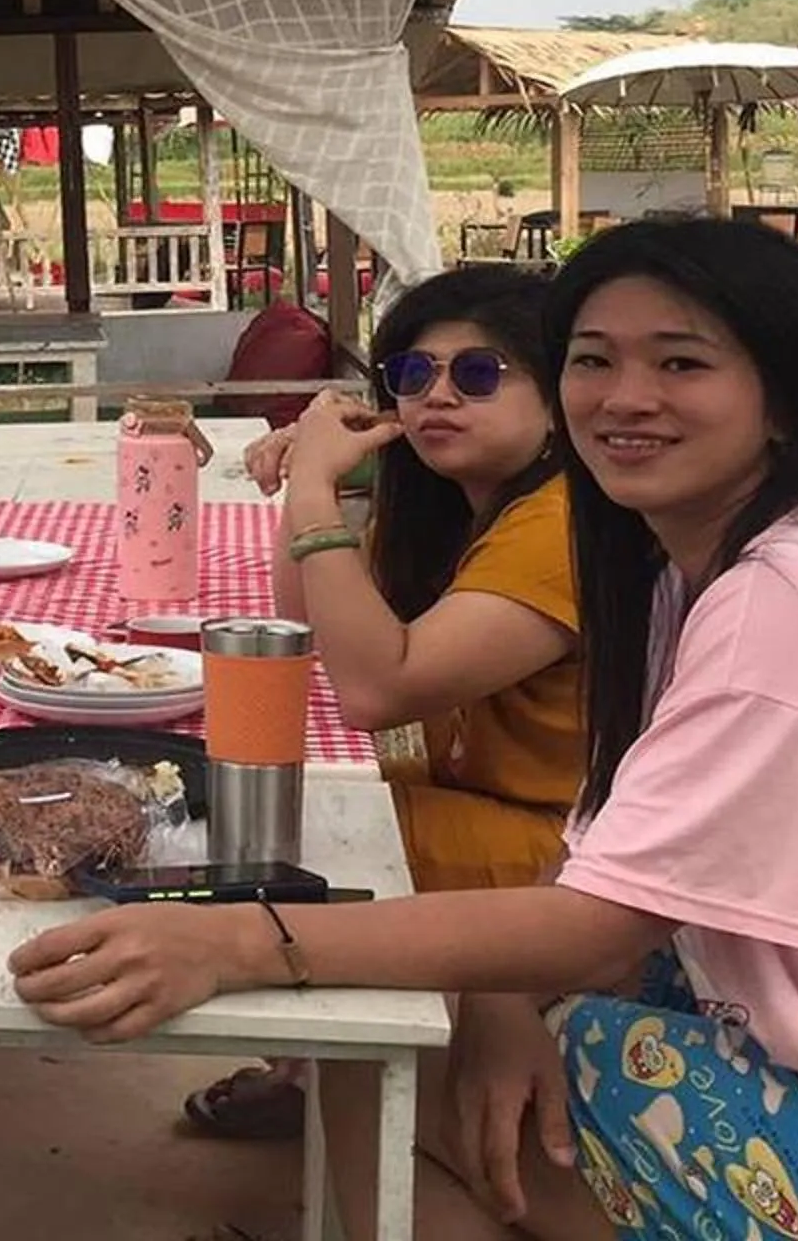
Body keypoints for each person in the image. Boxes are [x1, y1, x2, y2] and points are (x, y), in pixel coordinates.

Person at [12, 219, 798, 1241]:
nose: (624, 398)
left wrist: (247, 944)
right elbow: (613, 868)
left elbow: (596, 901)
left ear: (786, 395)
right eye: (594, 358)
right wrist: (493, 999)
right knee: (425, 1049)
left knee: (416, 1060)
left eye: (680, 363)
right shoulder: (693, 568)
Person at [183, 264, 583, 1143]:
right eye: (412, 374)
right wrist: (306, 486)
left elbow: (374, 690)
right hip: (478, 807)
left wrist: (320, 494)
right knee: (279, 820)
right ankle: (317, 1069)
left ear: (558, 402)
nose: (437, 395)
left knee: (298, 839)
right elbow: (308, 622)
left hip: (569, 858)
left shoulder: (560, 528)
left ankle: (330, 1073)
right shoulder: (464, 510)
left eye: (478, 374)